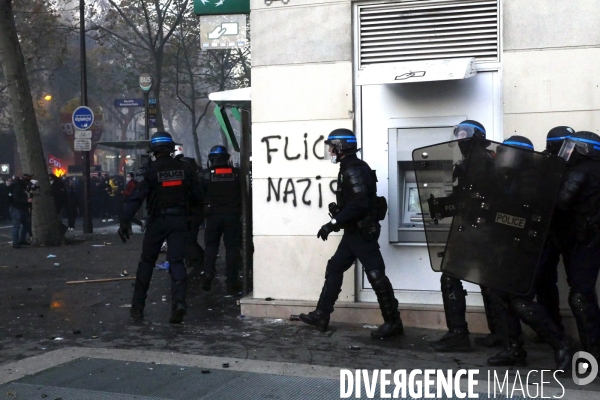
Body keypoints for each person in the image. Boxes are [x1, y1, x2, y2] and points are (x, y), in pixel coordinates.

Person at [299, 128, 404, 339]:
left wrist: (333, 222)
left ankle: (393, 322)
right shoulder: (350, 167)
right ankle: (321, 315)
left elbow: (360, 203)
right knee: (335, 266)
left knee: (376, 274)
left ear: (341, 147)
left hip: (361, 232)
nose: (330, 152)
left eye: (332, 147)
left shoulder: (353, 169)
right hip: (354, 232)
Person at [487, 136, 574, 369]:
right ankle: (513, 349)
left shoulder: (530, 178)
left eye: (507, 152)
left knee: (518, 298)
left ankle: (561, 344)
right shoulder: (515, 176)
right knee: (501, 294)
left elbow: (529, 216)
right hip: (514, 246)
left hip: (528, 247)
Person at [429, 120, 502, 352]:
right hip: (483, 229)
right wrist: (446, 205)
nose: (460, 138)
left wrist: (451, 205)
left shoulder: (476, 160)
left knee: (449, 276)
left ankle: (458, 334)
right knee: (486, 281)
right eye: (458, 133)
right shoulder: (481, 158)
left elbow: (476, 198)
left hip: (475, 229)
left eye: (464, 134)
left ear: (475, 137)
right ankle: (500, 333)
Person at [118, 131, 203, 324]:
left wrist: (125, 220)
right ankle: (179, 303)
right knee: (177, 261)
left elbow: (136, 198)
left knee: (147, 261)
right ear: (171, 148)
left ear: (154, 151)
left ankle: (138, 308)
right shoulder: (185, 169)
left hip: (157, 221)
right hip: (179, 220)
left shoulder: (149, 171)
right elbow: (198, 196)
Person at [554, 131, 600, 359]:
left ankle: (594, 353)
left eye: (572, 147)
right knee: (586, 294)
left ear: (584, 149)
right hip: (591, 239)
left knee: (580, 296)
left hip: (585, 241)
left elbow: (560, 202)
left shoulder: (581, 171)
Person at [535, 126, 575, 332]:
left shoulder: (576, 164)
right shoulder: (543, 163)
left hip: (569, 230)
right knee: (544, 281)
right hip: (548, 230)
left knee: (575, 286)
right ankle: (551, 327)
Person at [201, 145, 242, 294]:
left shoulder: (205, 175)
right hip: (232, 215)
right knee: (232, 249)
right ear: (227, 159)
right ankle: (232, 281)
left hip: (213, 216)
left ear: (211, 159)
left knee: (211, 247)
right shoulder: (237, 173)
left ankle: (208, 273)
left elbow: (199, 196)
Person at [173, 147, 205, 280]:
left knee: (189, 240)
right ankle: (195, 261)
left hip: (191, 214)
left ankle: (198, 263)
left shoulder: (193, 180)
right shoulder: (194, 178)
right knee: (188, 240)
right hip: (191, 213)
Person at [7, 174, 32, 248]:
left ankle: (21, 240)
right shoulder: (18, 187)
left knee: (25, 225)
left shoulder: (20, 186)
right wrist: (27, 201)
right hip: (17, 208)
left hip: (20, 208)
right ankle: (16, 242)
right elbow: (17, 199)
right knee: (17, 226)